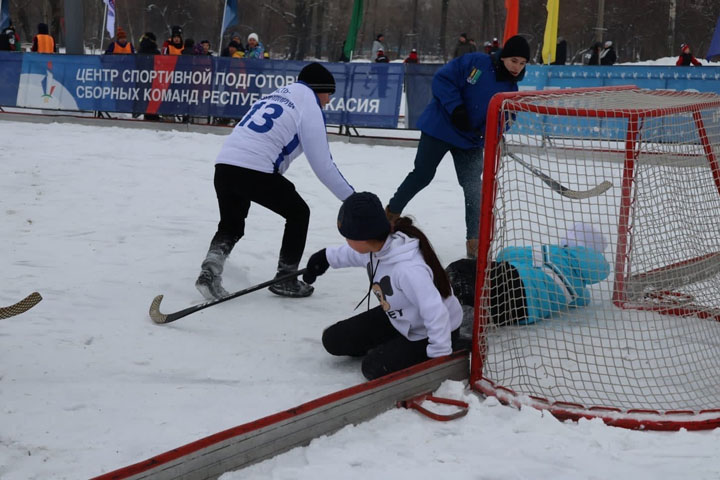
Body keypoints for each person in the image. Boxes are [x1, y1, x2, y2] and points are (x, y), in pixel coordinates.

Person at [195, 62, 355, 300]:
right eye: (328, 93)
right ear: (318, 88)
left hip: (224, 164)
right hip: (255, 168)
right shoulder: (308, 104)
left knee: (231, 224)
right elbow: (323, 165)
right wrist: (353, 199)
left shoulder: (277, 95)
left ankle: (209, 272)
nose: (328, 101)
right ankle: (285, 279)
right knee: (298, 212)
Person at [385, 35, 530, 259]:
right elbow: (443, 80)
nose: (516, 67)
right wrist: (456, 109)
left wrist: (487, 133)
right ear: (503, 57)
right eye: (513, 60)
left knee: (473, 187)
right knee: (422, 174)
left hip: (470, 141)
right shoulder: (475, 63)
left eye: (522, 63)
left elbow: (507, 120)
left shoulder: (511, 89)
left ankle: (474, 244)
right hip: (440, 127)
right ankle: (390, 214)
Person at [303, 191, 464, 380]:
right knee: (333, 340)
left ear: (362, 237)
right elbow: (353, 253)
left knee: (373, 367)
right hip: (400, 317)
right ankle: (395, 344)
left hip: (432, 331)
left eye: (347, 236)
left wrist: (440, 358)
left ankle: (458, 346)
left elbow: (436, 313)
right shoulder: (377, 245)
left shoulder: (407, 270)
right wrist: (325, 257)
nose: (346, 240)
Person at [445, 222, 610, 325]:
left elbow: (508, 254)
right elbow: (582, 301)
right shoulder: (582, 294)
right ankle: (472, 313)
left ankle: (450, 307)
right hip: (522, 312)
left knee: (460, 269)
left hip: (515, 279)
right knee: (493, 305)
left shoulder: (556, 252)